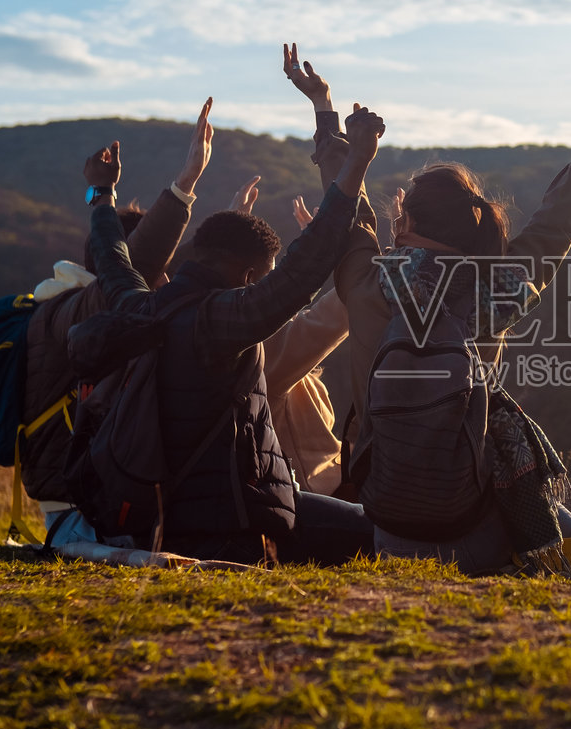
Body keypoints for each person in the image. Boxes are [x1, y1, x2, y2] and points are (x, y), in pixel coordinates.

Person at [282, 43, 571, 574]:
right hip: (472, 527)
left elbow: (346, 206)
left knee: (305, 507)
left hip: (390, 525)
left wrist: (325, 111)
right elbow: (553, 225)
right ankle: (565, 532)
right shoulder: (498, 288)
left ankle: (565, 530)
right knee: (506, 463)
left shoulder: (369, 284)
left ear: (406, 225)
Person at [82, 102, 382, 566]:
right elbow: (307, 265)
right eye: (264, 276)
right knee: (375, 532)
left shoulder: (140, 306)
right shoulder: (221, 324)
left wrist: (102, 194)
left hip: (148, 514)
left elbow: (111, 259)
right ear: (247, 277)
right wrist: (357, 160)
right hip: (226, 525)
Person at [23, 98, 216, 543]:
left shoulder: (73, 308)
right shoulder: (74, 311)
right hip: (81, 511)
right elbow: (139, 261)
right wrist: (185, 182)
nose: (161, 281)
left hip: (91, 499)